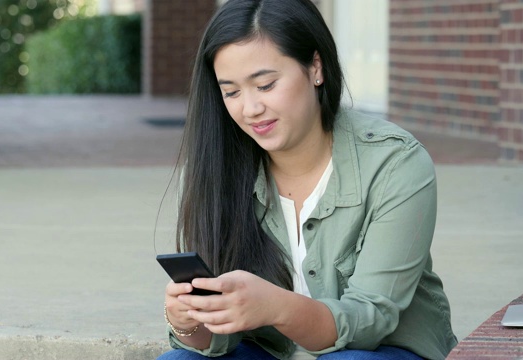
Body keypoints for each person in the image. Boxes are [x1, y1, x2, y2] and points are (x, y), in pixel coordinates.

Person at [158, 0, 457, 359]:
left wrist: (277, 307)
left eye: (265, 85)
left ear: (315, 67)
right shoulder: (217, 167)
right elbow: (216, 341)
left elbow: (371, 319)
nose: (250, 109)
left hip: (376, 351)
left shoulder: (395, 163)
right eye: (231, 92)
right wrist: (188, 321)